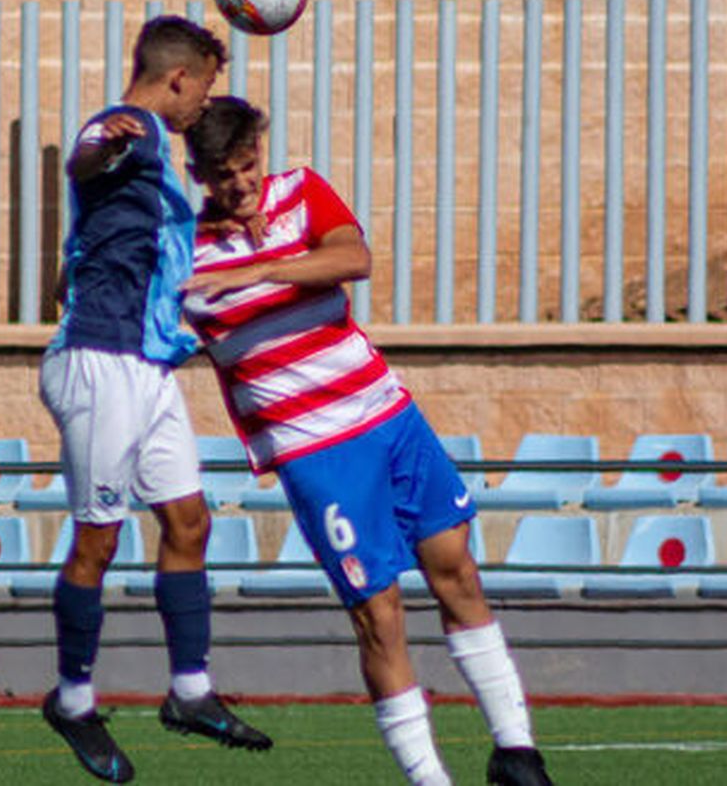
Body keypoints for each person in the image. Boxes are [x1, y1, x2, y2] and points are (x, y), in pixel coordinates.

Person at [180, 97, 554, 786]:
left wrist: (263, 268)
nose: (242, 184)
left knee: (458, 571)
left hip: (386, 413)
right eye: (224, 174)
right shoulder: (185, 248)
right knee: (378, 614)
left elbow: (354, 257)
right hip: (314, 449)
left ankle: (516, 750)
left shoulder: (300, 191)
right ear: (197, 174)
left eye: (248, 165)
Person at [38, 16, 272, 783]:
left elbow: (145, 235)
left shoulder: (158, 161)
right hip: (101, 361)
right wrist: (98, 149)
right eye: (203, 85)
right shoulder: (131, 128)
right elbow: (88, 155)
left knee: (188, 519)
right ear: (178, 77)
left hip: (147, 364)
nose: (205, 101)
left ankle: (190, 691)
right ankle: (72, 700)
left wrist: (230, 218)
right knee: (99, 541)